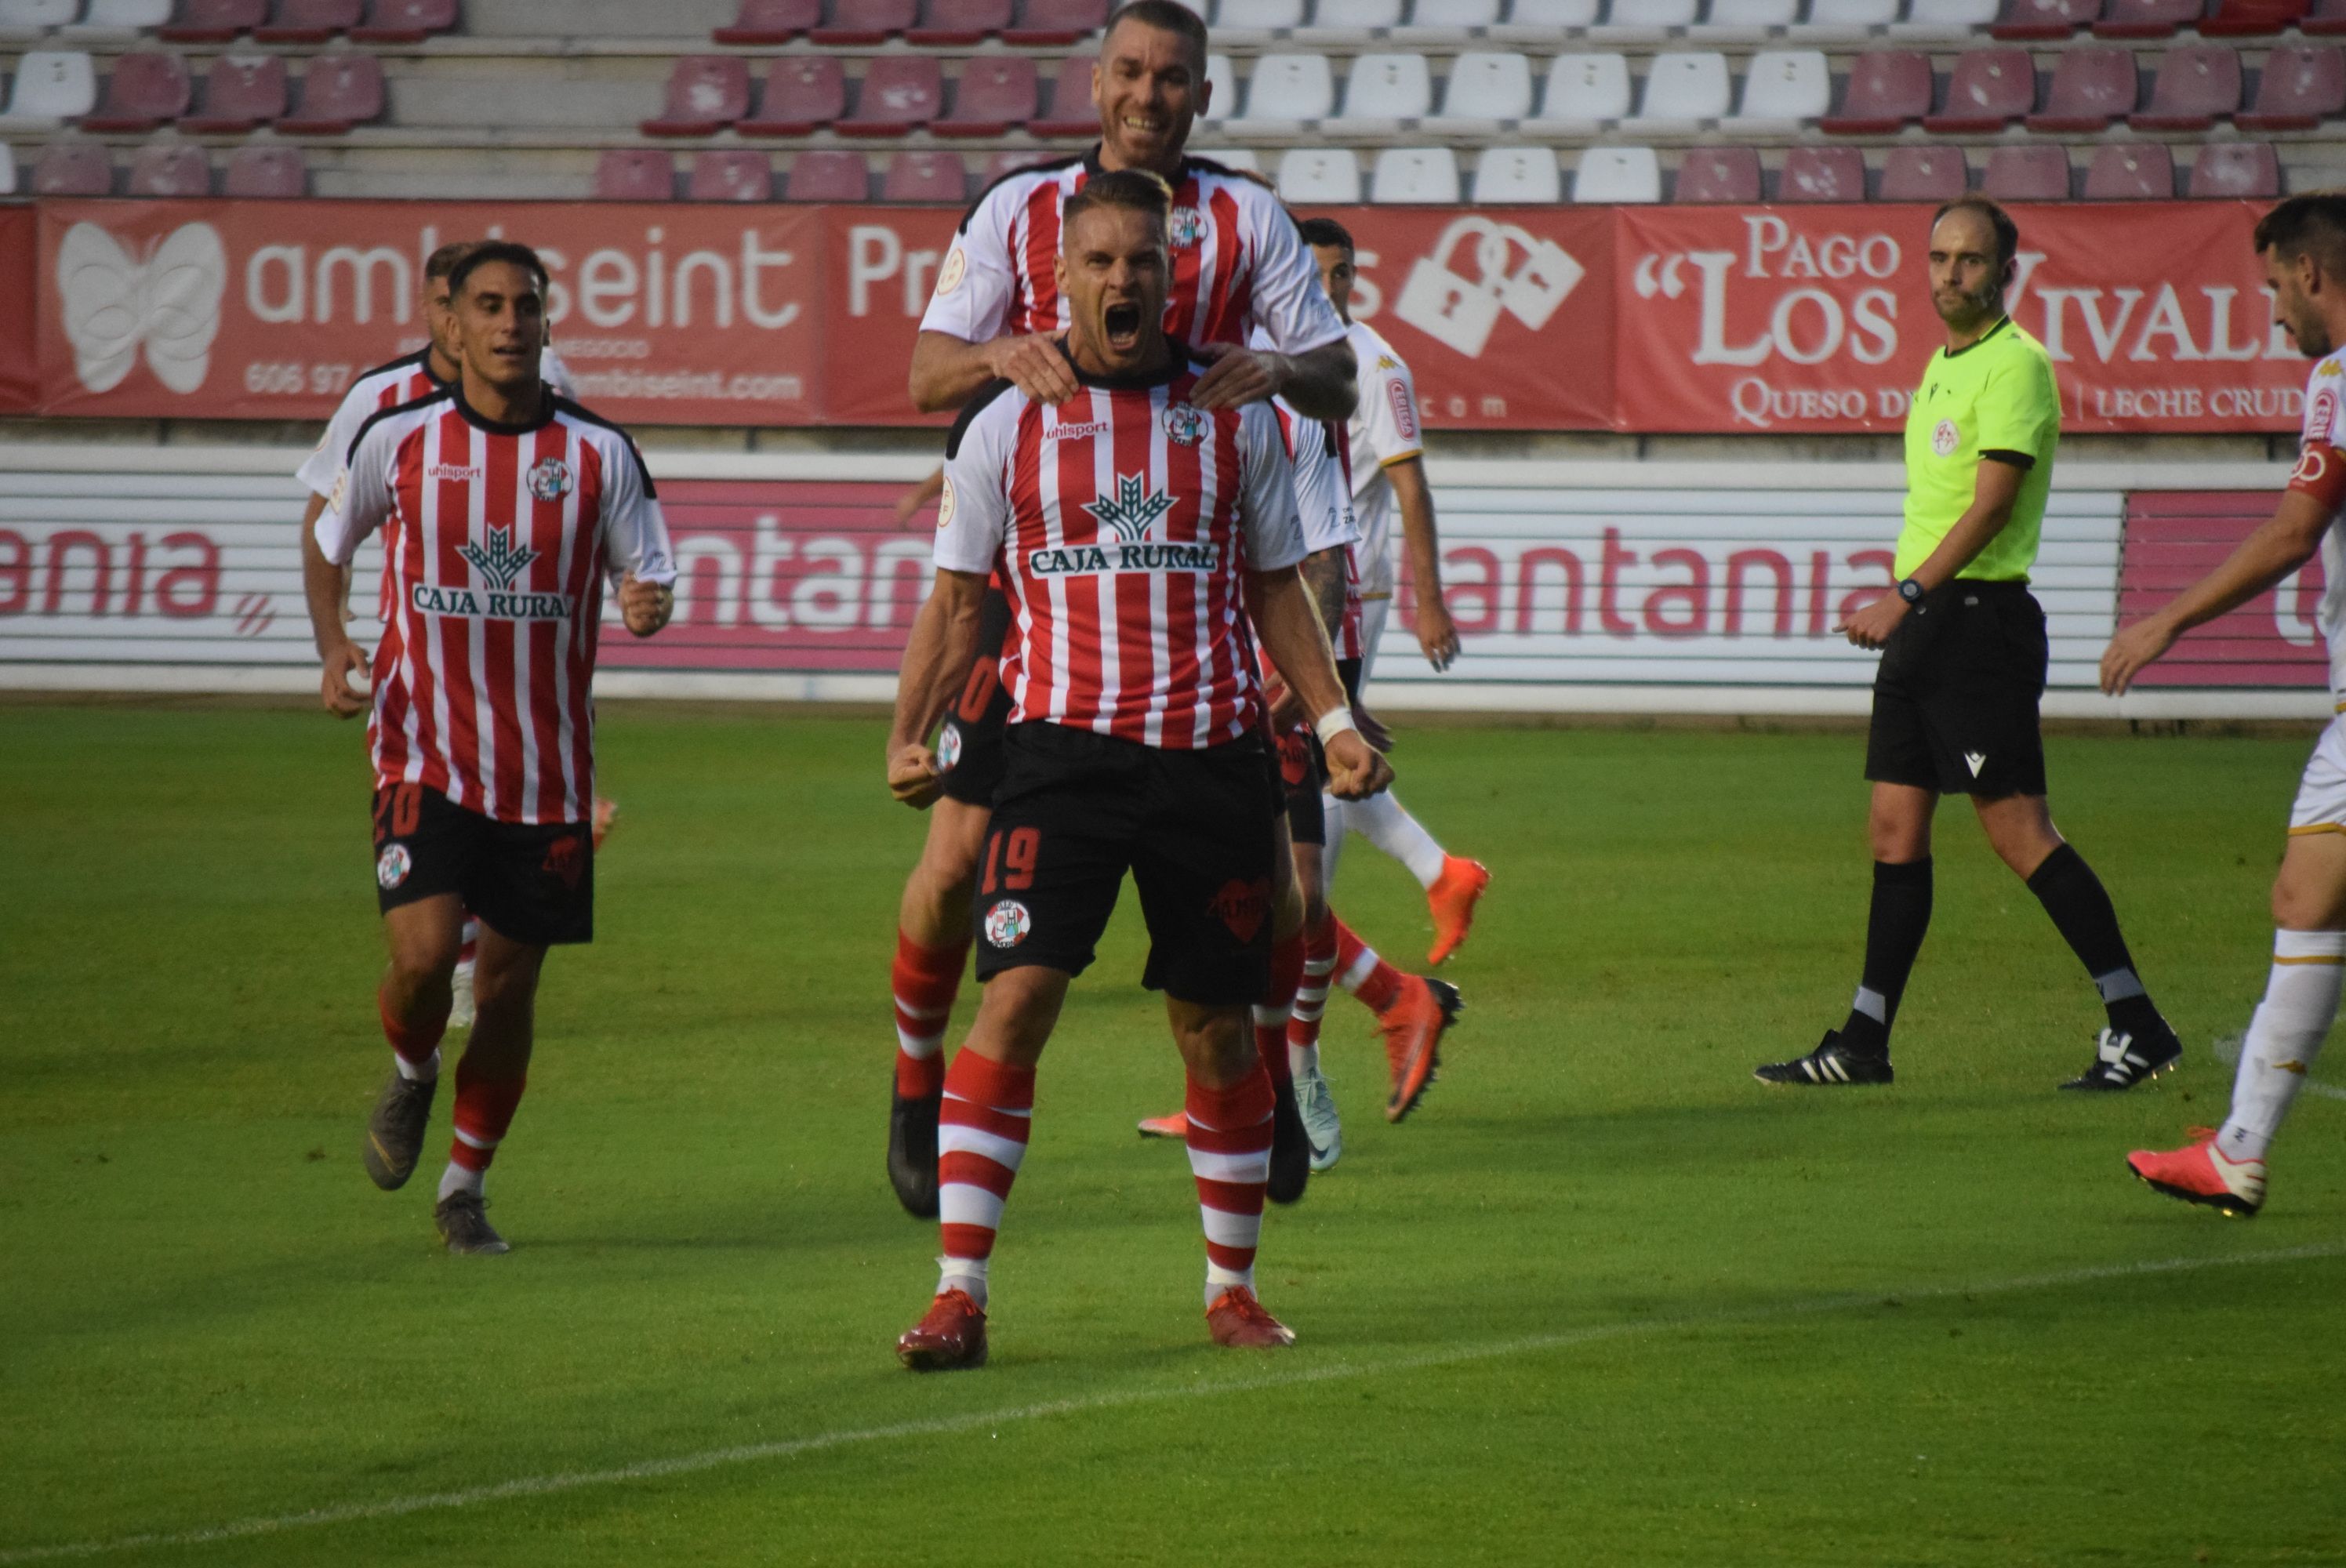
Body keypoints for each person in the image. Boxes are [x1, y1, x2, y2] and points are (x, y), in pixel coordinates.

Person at [885, 171, 1389, 1370]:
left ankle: (1232, 1291)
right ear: (1061, 274)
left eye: (1142, 262)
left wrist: (1332, 725)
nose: (1123, 281)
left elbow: (1276, 587)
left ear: (1172, 272)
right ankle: (960, 1292)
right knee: (1014, 1001)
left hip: (1211, 761)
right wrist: (908, 730)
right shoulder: (1006, 419)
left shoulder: (1232, 411)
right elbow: (958, 600)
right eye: (1100, 261)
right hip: (1058, 761)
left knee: (1215, 1029)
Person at [1755, 198, 2179, 1091]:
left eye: (1970, 261)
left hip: (1976, 624)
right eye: (1939, 258)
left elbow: (1988, 507)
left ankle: (2136, 1021)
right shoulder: (1941, 365)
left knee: (2020, 831)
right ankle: (1863, 1042)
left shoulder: (2016, 366)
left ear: (2003, 273)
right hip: (1929, 628)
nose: (1951, 275)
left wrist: (1904, 592)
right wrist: (1911, 606)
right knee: (1892, 829)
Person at [303, 241, 676, 1254]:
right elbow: (328, 538)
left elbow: (650, 580)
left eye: (527, 306)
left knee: (508, 989)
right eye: (490, 307)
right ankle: (415, 1072)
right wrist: (335, 644)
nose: (511, 323)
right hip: (422, 755)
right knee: (425, 964)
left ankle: (464, 1190)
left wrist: (645, 605)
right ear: (453, 327)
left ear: (548, 324)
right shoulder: (399, 438)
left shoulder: (602, 454)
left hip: (548, 778)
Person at [1136, 393, 1463, 1167]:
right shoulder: (1187, 393)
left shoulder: (1294, 403)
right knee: (1226, 881)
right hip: (1210, 674)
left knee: (1290, 890)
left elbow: (1318, 559)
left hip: (1276, 672)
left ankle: (1297, 1079)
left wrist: (1321, 694)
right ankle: (1251, 1079)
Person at [2104, 192, 2346, 1215]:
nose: (2274, 314)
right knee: (2309, 897)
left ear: (2314, 276)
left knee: (2306, 902)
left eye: (2274, 289)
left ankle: (2241, 1147)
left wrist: (2167, 621)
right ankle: (2241, 1139)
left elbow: (2296, 531)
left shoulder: (2339, 378)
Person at [296, 240, 590, 1033]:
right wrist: (334, 640)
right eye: (457, 308)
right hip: (420, 680)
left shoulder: (553, 390)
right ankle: (442, 968)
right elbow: (326, 522)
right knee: (433, 861)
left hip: (526, 689)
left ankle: (471, 965)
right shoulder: (379, 403)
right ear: (440, 314)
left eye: (515, 307)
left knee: (502, 869)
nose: (482, 328)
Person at [1295, 218, 1489, 971]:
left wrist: (1428, 600)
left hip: (1350, 586)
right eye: (1314, 273)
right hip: (1290, 580)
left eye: (1340, 274)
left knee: (1321, 754)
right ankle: (1439, 872)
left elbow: (1411, 486)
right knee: (1312, 749)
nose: (1328, 288)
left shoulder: (1374, 367)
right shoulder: (1277, 357)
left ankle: (1317, 925)